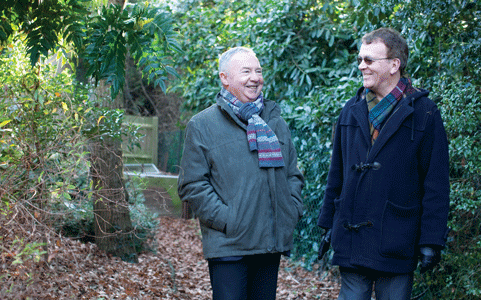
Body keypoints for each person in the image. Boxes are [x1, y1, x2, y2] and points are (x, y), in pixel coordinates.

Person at [317, 28, 450, 300]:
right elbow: (337, 174)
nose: (361, 66)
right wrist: (328, 224)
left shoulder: (424, 113)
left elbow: (436, 183)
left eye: (369, 60)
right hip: (352, 237)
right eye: (360, 60)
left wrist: (431, 241)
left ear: (394, 64)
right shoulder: (350, 110)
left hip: (396, 239)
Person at [177, 46, 304, 300]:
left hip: (269, 243)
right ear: (225, 78)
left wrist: (290, 209)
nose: (255, 77)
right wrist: (229, 220)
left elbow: (292, 174)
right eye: (246, 71)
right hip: (229, 245)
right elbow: (191, 184)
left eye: (258, 71)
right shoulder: (202, 125)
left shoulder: (274, 121)